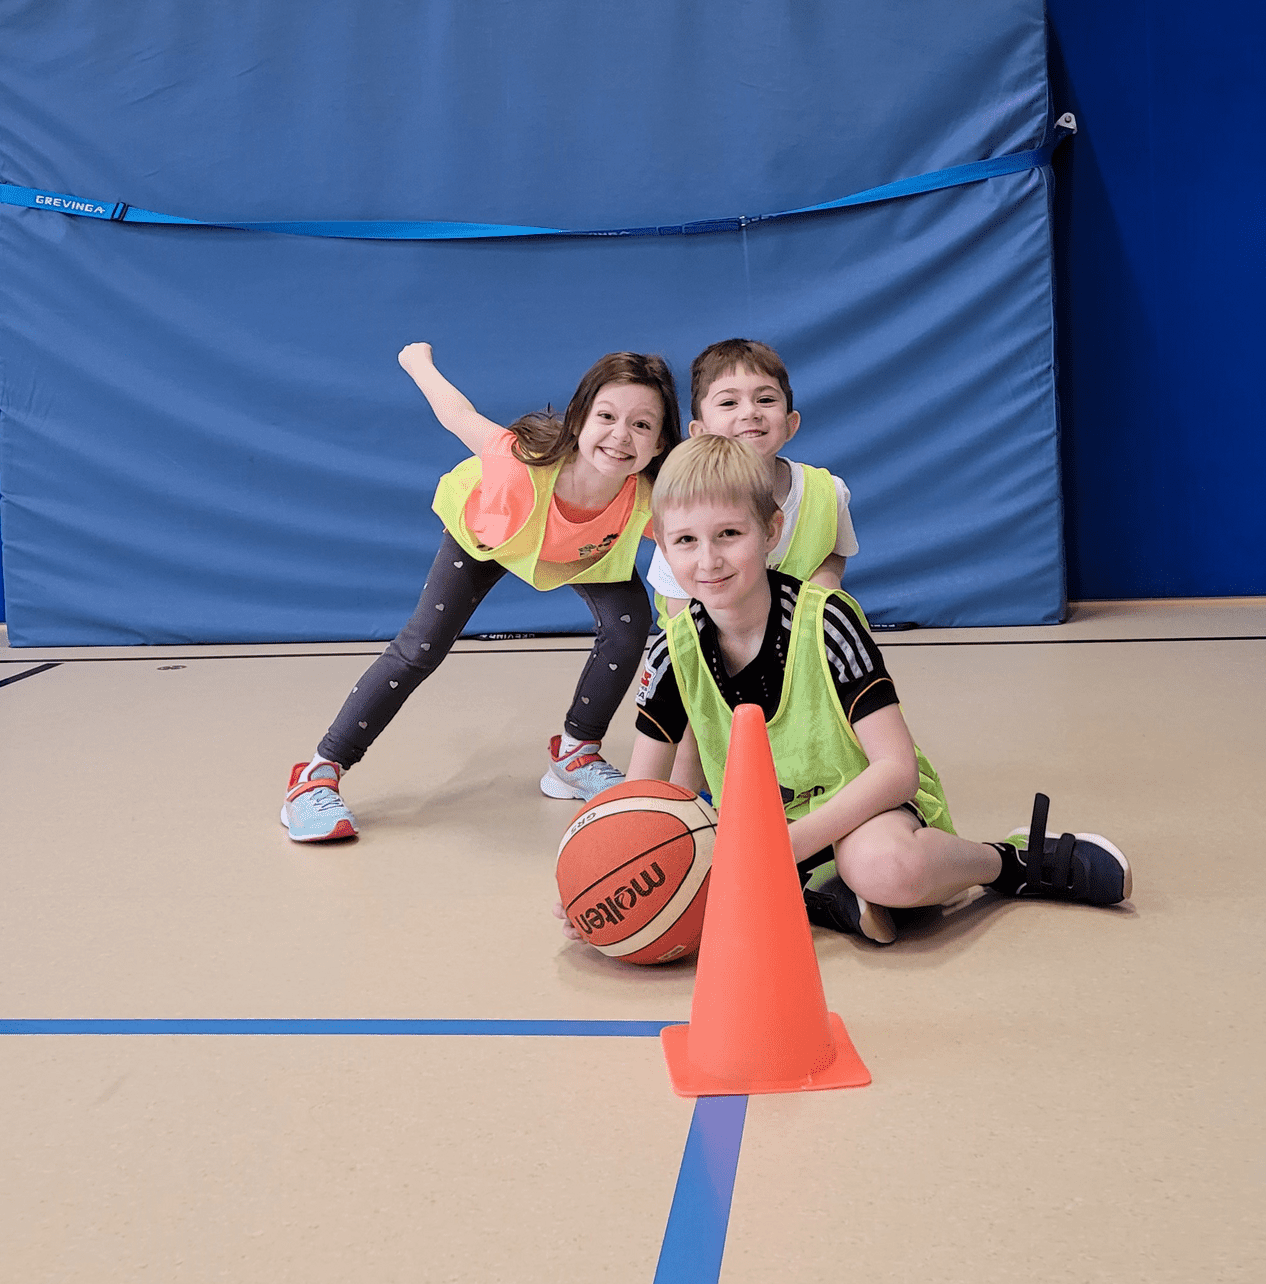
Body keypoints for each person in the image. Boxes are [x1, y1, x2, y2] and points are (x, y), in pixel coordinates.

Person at [566, 434, 1130, 945]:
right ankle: (824, 892)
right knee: (685, 896)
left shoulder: (826, 621)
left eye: (729, 534)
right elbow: (642, 794)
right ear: (662, 547)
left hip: (869, 807)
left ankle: (1012, 862)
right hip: (762, 836)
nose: (708, 559)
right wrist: (599, 874)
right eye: (685, 540)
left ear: (771, 531)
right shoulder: (673, 649)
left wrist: (787, 847)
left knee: (889, 871)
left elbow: (895, 769)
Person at [282, 343, 681, 842]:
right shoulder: (517, 462)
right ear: (579, 419)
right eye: (607, 415)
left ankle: (575, 754)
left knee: (629, 627)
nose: (621, 436)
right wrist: (418, 362)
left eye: (642, 425)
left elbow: (704, 530)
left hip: (579, 551)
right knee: (421, 647)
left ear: (662, 442)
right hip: (491, 534)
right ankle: (316, 776)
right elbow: (457, 414)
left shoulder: (646, 496)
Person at [646, 338, 856, 617]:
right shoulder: (684, 499)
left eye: (765, 400)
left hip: (798, 639)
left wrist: (825, 580)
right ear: (700, 432)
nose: (750, 412)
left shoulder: (826, 492)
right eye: (729, 402)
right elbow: (677, 606)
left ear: (790, 424)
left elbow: (835, 552)